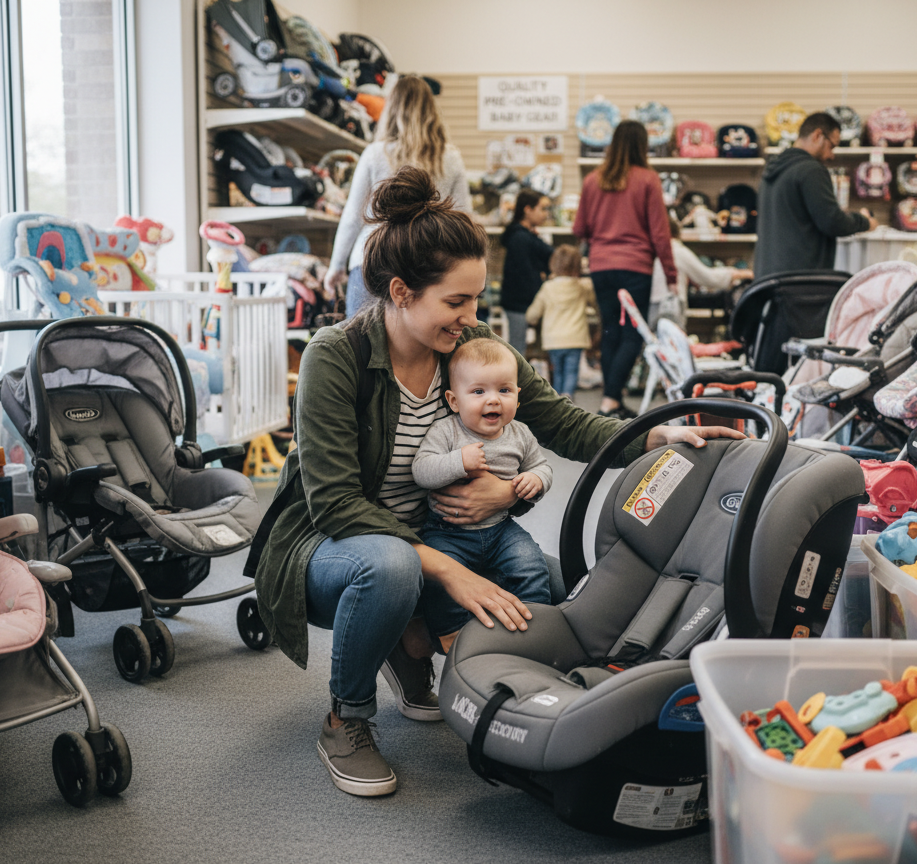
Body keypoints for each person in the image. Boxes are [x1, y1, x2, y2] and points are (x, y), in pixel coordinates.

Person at [251, 166, 743, 798]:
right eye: (455, 302)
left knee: (561, 588)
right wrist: (448, 571)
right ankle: (346, 718)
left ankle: (412, 639)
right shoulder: (335, 354)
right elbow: (336, 503)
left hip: (437, 532)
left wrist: (655, 435)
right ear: (401, 292)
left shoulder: (471, 344)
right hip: (334, 546)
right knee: (395, 569)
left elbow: (559, 420)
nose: (471, 316)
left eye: (476, 299)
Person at [412, 338, 552, 653]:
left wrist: (534, 480)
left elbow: (542, 467)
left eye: (504, 390)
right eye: (478, 392)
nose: (493, 400)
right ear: (454, 400)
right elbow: (422, 470)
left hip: (501, 529)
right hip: (448, 532)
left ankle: (536, 623)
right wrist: (457, 461)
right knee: (439, 579)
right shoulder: (446, 432)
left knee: (531, 564)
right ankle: (452, 633)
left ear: (518, 394)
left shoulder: (521, 434)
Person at [324, 75, 472, 317]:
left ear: (391, 110)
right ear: (431, 110)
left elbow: (353, 217)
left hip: (371, 261)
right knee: (417, 351)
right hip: (427, 266)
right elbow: (464, 220)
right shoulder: (450, 158)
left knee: (362, 348)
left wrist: (336, 266)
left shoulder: (375, 154)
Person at [573, 120, 677, 419]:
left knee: (609, 333)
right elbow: (660, 233)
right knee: (633, 335)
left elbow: (580, 227)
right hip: (636, 268)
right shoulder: (647, 180)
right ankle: (609, 400)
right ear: (642, 146)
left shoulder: (593, 180)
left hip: (601, 267)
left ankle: (613, 399)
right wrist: (671, 274)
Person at [755, 112, 878, 278]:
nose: (831, 155)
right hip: (800, 283)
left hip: (768, 279)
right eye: (831, 146)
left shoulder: (773, 170)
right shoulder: (810, 170)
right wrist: (865, 222)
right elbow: (833, 222)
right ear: (818, 135)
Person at [649, 215, 753, 328]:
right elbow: (708, 277)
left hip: (648, 305)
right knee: (671, 342)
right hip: (669, 305)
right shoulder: (675, 250)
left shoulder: (649, 251)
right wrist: (741, 273)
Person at [525, 244, 595, 399]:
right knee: (571, 371)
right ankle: (568, 396)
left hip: (553, 340)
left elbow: (533, 313)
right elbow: (595, 303)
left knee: (557, 371)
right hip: (575, 338)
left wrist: (531, 319)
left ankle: (558, 402)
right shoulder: (583, 287)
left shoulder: (548, 287)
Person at [498, 189, 553, 355]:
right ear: (528, 210)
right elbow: (525, 272)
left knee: (518, 347)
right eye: (542, 209)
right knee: (517, 349)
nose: (545, 214)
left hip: (519, 302)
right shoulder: (521, 238)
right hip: (521, 302)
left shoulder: (523, 236)